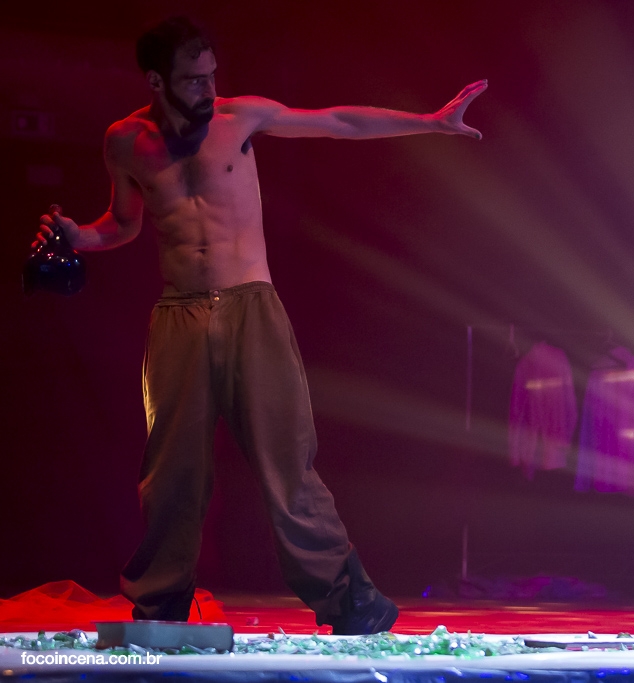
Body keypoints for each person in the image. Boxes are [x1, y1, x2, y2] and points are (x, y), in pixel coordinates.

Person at [34, 16, 486, 635]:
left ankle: (346, 598)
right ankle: (160, 605)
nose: (208, 89)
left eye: (212, 75)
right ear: (156, 82)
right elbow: (124, 221)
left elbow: (337, 121)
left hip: (252, 305)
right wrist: (78, 237)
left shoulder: (238, 118)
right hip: (180, 313)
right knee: (172, 472)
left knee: (286, 461)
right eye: (194, 80)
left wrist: (431, 122)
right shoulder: (125, 141)